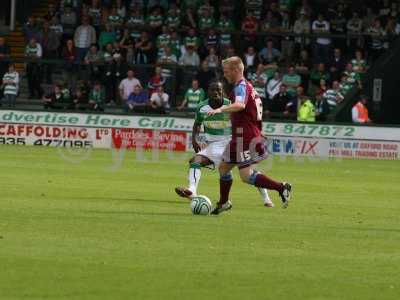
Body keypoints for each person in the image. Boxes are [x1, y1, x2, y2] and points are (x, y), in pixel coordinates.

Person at [207, 57, 292, 215]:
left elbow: (240, 105)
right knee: (223, 169)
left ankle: (282, 187)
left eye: (226, 72)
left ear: (236, 70)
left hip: (244, 137)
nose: (225, 75)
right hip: (242, 135)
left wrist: (220, 110)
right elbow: (252, 113)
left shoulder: (241, 87)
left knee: (246, 176)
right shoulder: (249, 87)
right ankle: (224, 202)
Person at [175, 81, 274, 207]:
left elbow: (247, 119)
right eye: (213, 90)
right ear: (208, 92)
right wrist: (195, 139)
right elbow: (197, 124)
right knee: (195, 161)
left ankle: (266, 198)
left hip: (232, 143)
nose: (216, 92)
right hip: (212, 146)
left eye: (219, 90)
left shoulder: (230, 105)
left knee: (248, 172)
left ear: (223, 92)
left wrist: (258, 132)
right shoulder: (202, 107)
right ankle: (192, 191)